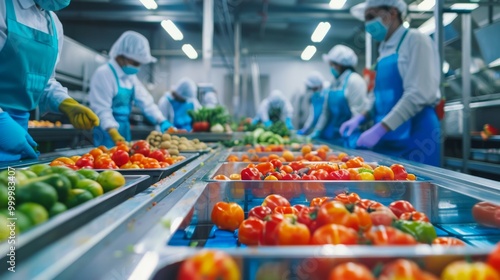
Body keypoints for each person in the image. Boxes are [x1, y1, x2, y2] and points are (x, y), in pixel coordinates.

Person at [344, 0, 441, 166]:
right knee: (386, 187)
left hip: (415, 134)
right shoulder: (384, 50)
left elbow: (418, 94)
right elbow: (379, 95)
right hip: (388, 135)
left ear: (392, 13)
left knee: (416, 185)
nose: (368, 24)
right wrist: (362, 117)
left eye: (371, 16)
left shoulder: (415, 40)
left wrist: (380, 129)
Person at [0, 0, 99, 161]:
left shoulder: (54, 24)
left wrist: (65, 103)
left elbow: (44, 80)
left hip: (18, 128)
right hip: (4, 125)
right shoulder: (3, 6)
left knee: (10, 184)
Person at [89, 31, 170, 147]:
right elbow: (101, 108)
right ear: (122, 56)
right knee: (105, 162)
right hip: (106, 132)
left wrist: (161, 120)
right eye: (136, 62)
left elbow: (146, 102)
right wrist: (112, 131)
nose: (138, 67)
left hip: (124, 129)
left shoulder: (130, 77)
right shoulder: (104, 74)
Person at [309, 45, 369, 147]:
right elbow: (326, 112)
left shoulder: (354, 80)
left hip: (350, 137)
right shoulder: (334, 83)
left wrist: (350, 135)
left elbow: (357, 113)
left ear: (339, 65)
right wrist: (317, 130)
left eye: (331, 64)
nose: (331, 68)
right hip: (334, 136)